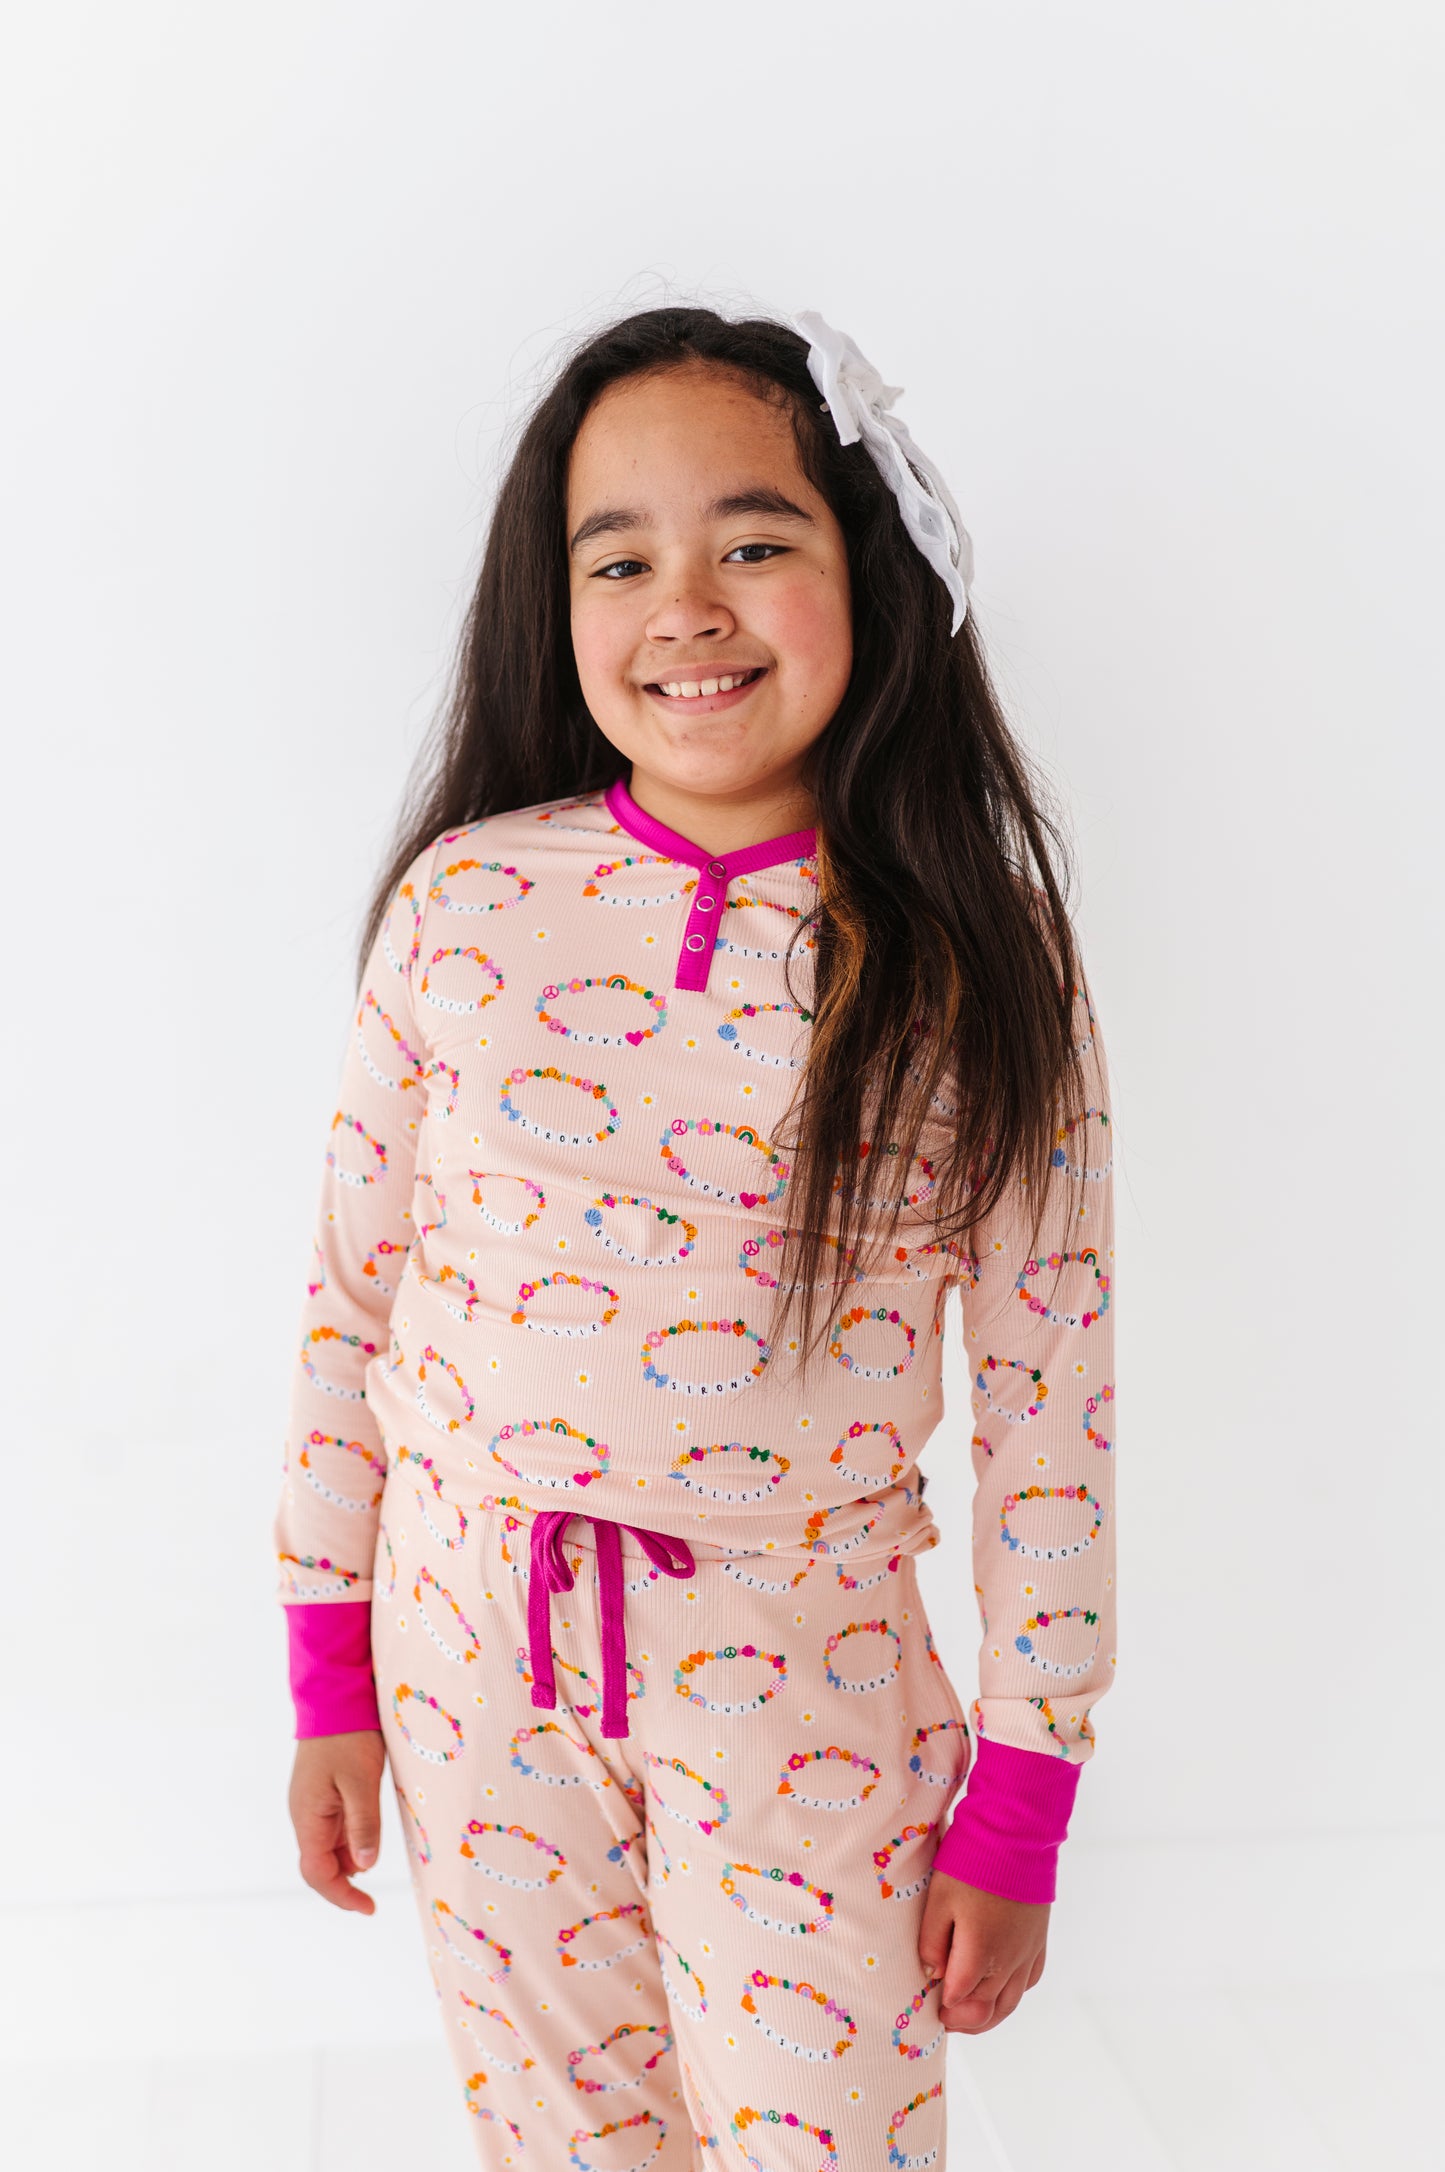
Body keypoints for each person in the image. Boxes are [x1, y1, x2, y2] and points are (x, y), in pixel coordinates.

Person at [275, 302, 1118, 2171]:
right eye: (619, 561)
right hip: (470, 1659)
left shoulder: (972, 962)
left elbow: (1050, 1395)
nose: (686, 609)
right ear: (554, 605)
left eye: (752, 542)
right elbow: (351, 1307)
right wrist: (329, 1669)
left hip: (803, 1677)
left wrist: (1024, 1791)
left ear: (868, 568)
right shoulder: (465, 906)